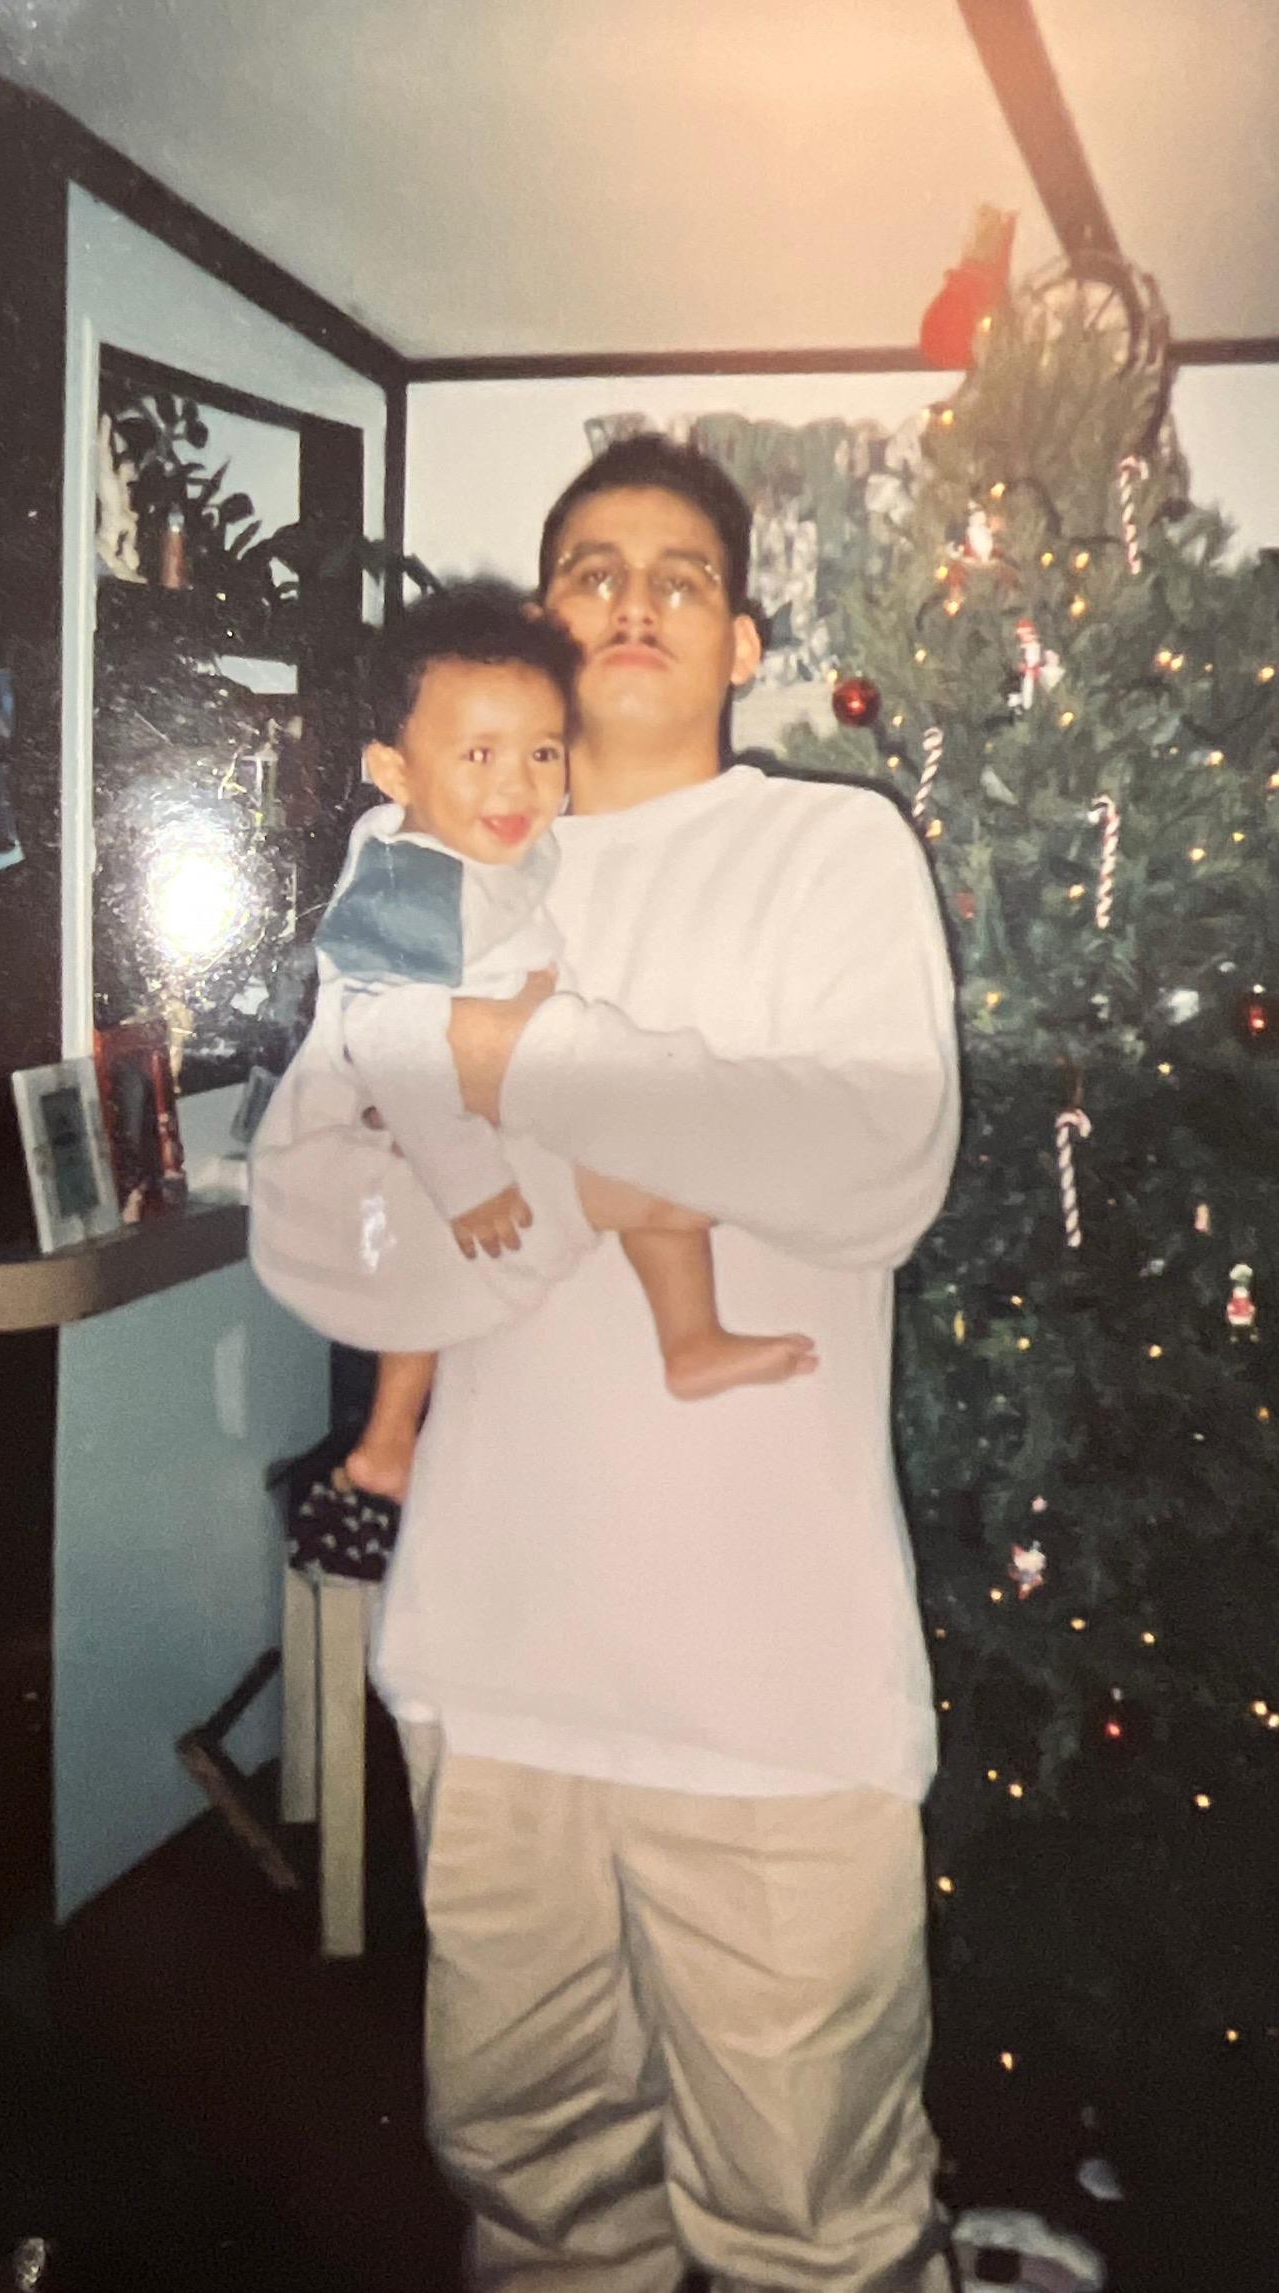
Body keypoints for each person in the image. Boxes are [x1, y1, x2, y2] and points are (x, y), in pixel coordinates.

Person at [376, 433, 962, 2293]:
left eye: (680, 576)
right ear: (538, 629)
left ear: (741, 642)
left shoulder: (824, 848)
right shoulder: (438, 873)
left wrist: (532, 1080)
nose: (631, 599)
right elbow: (367, 1192)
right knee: (540, 2208)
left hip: (771, 1693)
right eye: (591, 569)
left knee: (821, 2231)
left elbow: (876, 1165)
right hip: (490, 1660)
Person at [250, 583, 816, 1508]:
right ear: (393, 771)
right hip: (358, 1155)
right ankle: (687, 1340)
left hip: (429, 1133)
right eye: (478, 754)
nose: (517, 784)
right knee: (655, 1186)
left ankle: (397, 1440)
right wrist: (466, 1173)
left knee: (450, 1286)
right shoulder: (408, 879)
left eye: (542, 751)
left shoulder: (494, 846)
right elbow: (390, 1037)